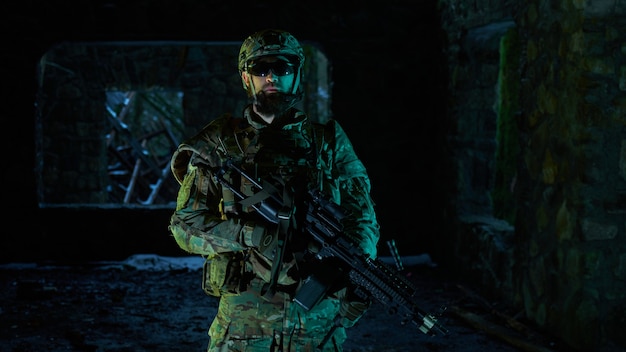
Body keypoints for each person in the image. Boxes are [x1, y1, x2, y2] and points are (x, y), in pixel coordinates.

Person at [168, 28, 380, 352]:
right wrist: (250, 235)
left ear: (297, 75)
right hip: (242, 329)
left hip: (315, 328)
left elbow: (362, 220)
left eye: (281, 69)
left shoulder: (329, 144)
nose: (271, 77)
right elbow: (185, 226)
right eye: (260, 69)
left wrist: (345, 267)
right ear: (245, 77)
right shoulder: (219, 144)